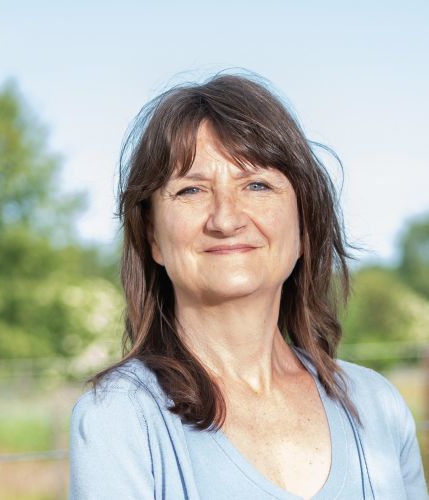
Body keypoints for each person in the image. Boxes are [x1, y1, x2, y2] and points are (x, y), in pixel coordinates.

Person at [69, 72, 428, 499]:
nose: (225, 219)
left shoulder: (378, 406)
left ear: (303, 226)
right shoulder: (121, 419)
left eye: (256, 185)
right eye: (191, 190)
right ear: (152, 237)